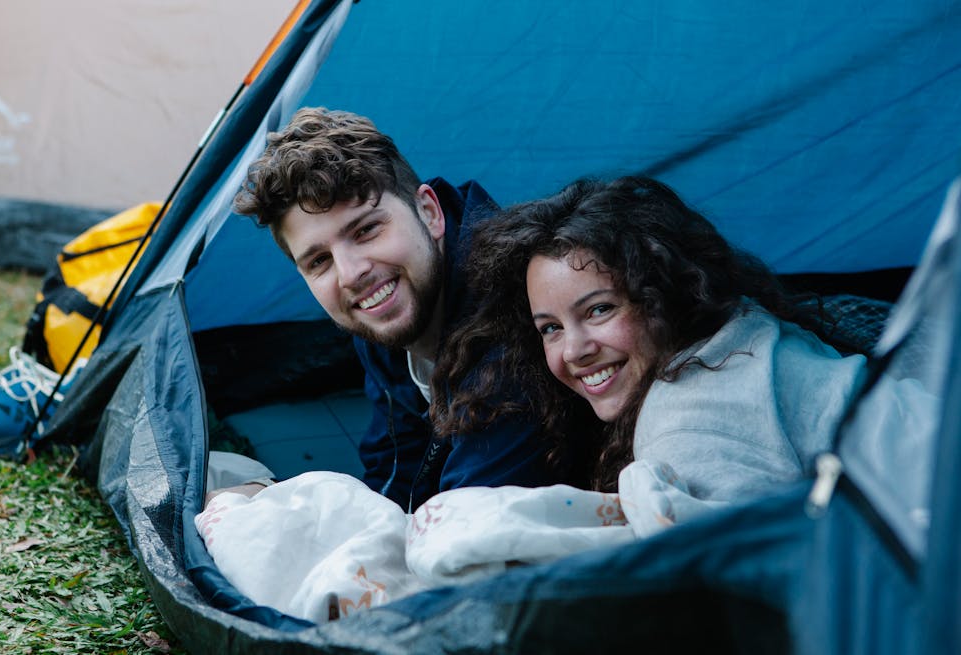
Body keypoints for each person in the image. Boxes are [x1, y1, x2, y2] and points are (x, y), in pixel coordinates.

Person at [431, 175, 869, 501]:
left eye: (600, 309)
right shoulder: (741, 328)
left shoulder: (686, 428)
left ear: (662, 294)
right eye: (551, 328)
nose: (575, 350)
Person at [226, 107, 565, 511]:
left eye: (367, 230)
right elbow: (396, 466)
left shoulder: (514, 320)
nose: (351, 274)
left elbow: (467, 529)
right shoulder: (389, 307)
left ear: (430, 211)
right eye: (319, 261)